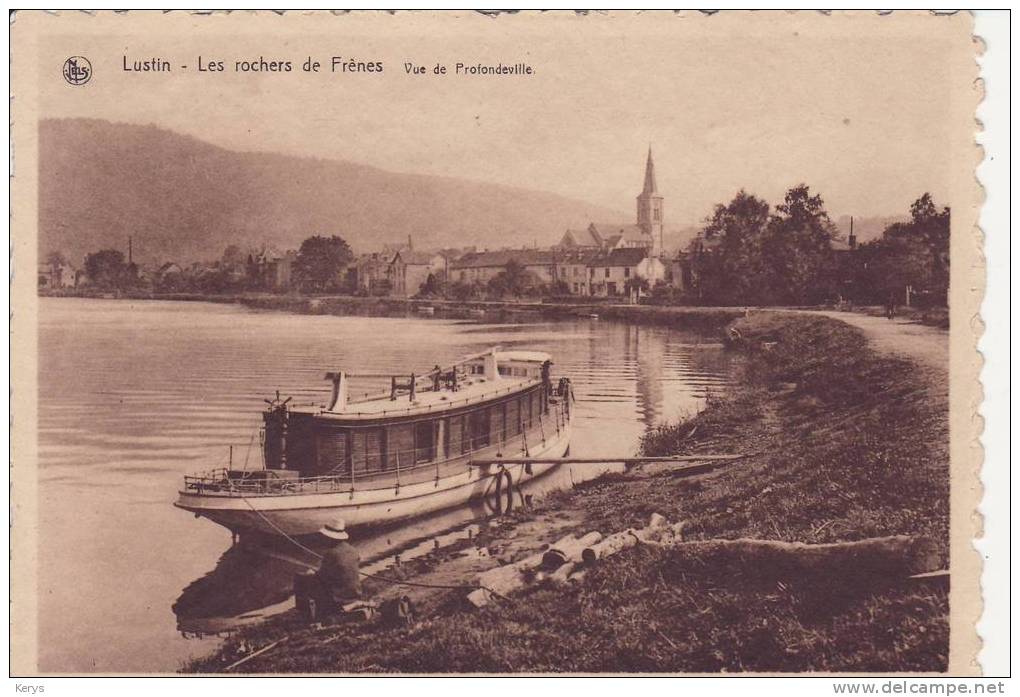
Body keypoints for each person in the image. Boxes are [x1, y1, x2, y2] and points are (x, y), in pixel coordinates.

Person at [315, 518, 362, 604]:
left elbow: (323, 576)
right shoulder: (353, 550)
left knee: (306, 580)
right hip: (356, 593)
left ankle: (311, 612)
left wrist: (313, 572)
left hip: (339, 597)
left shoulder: (331, 553)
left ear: (330, 537)